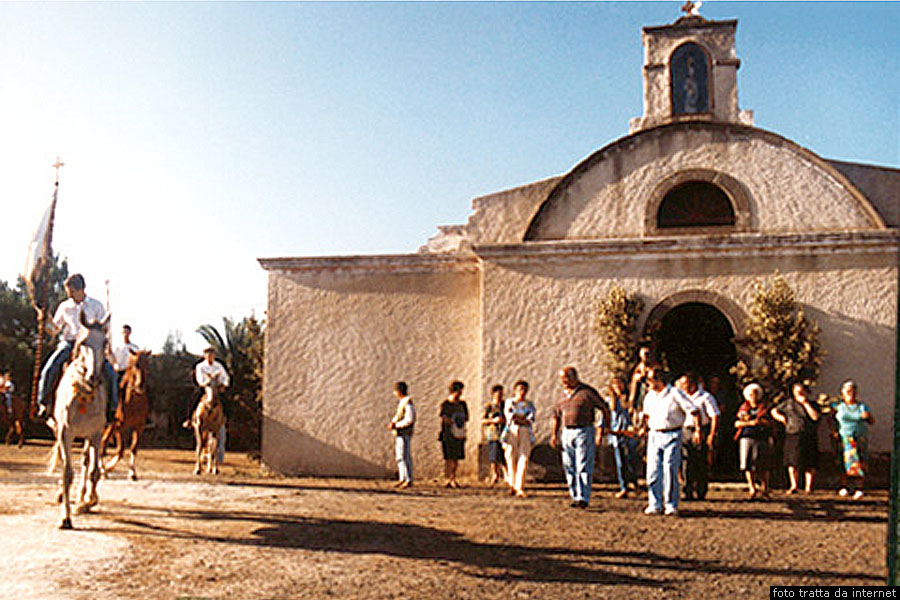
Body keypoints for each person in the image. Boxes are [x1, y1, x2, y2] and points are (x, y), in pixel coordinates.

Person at [35, 273, 117, 422]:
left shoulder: (96, 306)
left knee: (110, 373)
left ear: (81, 289)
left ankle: (112, 409)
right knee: (50, 368)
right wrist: (44, 321)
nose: (69, 295)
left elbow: (103, 329)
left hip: (91, 345)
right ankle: (43, 403)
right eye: (68, 292)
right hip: (69, 343)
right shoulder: (64, 307)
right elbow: (54, 330)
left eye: (72, 292)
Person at [639, 368, 701, 516]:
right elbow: (646, 415)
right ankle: (654, 503)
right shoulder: (650, 396)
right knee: (653, 470)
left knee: (670, 468)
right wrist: (643, 428)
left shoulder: (675, 393)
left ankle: (671, 504)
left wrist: (698, 430)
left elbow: (694, 410)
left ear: (659, 380)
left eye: (650, 380)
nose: (648, 383)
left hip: (672, 433)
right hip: (654, 434)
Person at [551, 366, 610, 509]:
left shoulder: (587, 392)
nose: (564, 382)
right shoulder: (562, 396)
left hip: (584, 430)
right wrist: (554, 434)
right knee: (569, 465)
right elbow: (556, 416)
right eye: (562, 379)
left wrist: (604, 427)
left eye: (566, 379)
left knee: (583, 464)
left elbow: (604, 408)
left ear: (574, 377)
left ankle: (583, 497)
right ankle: (574, 494)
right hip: (567, 432)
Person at [677, 372, 720, 501]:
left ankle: (701, 490)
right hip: (685, 429)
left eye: (686, 384)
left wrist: (712, 433)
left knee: (700, 460)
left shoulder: (705, 397)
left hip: (701, 429)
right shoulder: (680, 396)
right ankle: (687, 490)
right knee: (686, 460)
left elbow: (714, 415)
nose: (683, 387)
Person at [771, 383, 820, 494]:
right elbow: (774, 411)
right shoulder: (788, 404)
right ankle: (794, 485)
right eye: (797, 391)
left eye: (802, 391)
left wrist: (805, 404)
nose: (800, 393)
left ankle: (808, 486)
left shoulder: (812, 404)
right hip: (793, 433)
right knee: (792, 460)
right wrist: (781, 418)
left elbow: (815, 417)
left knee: (810, 461)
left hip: (809, 434)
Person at [833, 380, 874, 499]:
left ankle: (859, 488)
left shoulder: (862, 406)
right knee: (843, 462)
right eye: (848, 391)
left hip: (859, 437)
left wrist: (868, 417)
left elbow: (871, 421)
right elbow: (831, 419)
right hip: (844, 438)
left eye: (853, 391)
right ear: (842, 392)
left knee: (859, 462)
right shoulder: (837, 406)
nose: (851, 393)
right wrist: (834, 431)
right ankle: (844, 486)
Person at [190, 347, 230, 463]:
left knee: (226, 401)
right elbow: (199, 379)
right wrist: (206, 383)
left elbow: (225, 377)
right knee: (193, 397)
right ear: (204, 356)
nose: (210, 356)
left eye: (212, 354)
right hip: (205, 387)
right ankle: (190, 417)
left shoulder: (219, 366)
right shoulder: (200, 366)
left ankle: (225, 419)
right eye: (208, 354)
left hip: (216, 388)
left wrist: (224, 384)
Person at [735, 383, 772, 499]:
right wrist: (750, 423)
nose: (753, 397)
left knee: (762, 464)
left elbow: (770, 423)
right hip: (746, 437)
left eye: (755, 394)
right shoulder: (743, 409)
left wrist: (760, 422)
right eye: (750, 395)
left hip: (761, 438)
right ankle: (752, 487)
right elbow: (737, 423)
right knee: (747, 464)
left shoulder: (764, 408)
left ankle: (765, 487)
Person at [605, 376, 639, 499]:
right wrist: (602, 430)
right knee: (620, 462)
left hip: (629, 432)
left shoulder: (629, 399)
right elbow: (605, 416)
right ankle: (623, 486)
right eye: (615, 384)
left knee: (631, 458)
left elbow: (635, 413)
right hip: (616, 432)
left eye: (620, 384)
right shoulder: (609, 400)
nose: (618, 387)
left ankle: (634, 482)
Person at [502, 380, 536, 498]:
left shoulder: (529, 404)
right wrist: (520, 417)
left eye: (524, 390)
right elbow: (510, 416)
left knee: (523, 457)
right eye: (520, 389)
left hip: (525, 430)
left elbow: (530, 418)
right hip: (512, 430)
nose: (522, 392)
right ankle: (512, 484)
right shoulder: (510, 402)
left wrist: (522, 419)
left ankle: (520, 486)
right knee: (511, 456)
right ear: (515, 390)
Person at [439, 380, 468, 488]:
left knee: (456, 457)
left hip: (459, 433)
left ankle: (453, 477)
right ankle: (448, 478)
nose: (461, 393)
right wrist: (452, 420)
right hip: (448, 434)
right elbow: (444, 417)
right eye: (459, 391)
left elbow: (466, 417)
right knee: (448, 457)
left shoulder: (462, 404)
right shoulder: (446, 404)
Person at [387, 381, 415, 489]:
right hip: (399, 433)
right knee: (400, 456)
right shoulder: (402, 402)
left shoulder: (408, 402)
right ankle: (402, 478)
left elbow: (409, 419)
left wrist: (397, 425)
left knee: (405, 456)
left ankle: (408, 479)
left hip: (404, 433)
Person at [481, 384, 505, 485]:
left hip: (504, 433)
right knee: (494, 455)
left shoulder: (505, 405)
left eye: (501, 394)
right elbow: (483, 420)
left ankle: (506, 475)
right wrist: (493, 421)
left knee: (504, 455)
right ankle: (495, 474)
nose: (499, 396)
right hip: (493, 434)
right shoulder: (489, 406)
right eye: (497, 394)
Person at [111, 324, 140, 404]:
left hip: (130, 372)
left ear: (130, 333)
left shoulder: (135, 348)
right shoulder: (117, 347)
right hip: (119, 372)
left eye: (127, 332)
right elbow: (113, 360)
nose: (125, 334)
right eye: (123, 332)